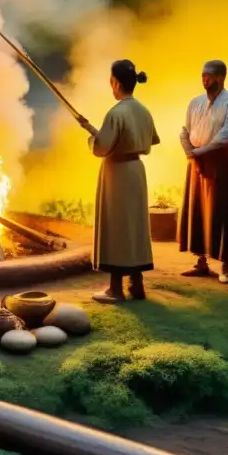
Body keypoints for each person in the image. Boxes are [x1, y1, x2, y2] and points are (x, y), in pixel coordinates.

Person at [81, 59, 159, 304]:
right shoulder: (142, 110)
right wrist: (94, 129)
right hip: (136, 170)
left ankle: (115, 289)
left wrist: (92, 139)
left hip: (117, 173)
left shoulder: (116, 112)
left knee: (116, 226)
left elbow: (102, 147)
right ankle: (137, 283)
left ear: (115, 83)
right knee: (133, 226)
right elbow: (147, 139)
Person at [178, 60, 228, 283]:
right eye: (202, 75)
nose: (204, 79)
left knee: (223, 212)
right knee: (198, 209)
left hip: (220, 161)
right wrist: (190, 151)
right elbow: (185, 130)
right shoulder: (195, 102)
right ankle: (201, 262)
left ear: (220, 78)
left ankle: (226, 267)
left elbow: (227, 135)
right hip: (196, 160)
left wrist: (199, 153)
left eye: (209, 75)